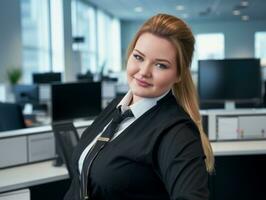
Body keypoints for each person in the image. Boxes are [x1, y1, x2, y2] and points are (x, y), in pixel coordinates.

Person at [64, 13, 214, 200]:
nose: (143, 72)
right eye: (138, 57)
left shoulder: (177, 132)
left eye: (160, 65)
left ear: (179, 75)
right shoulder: (117, 106)